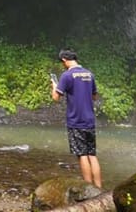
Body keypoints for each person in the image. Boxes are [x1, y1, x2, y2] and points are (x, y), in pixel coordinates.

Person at [51, 48, 102, 188]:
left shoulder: (67, 76)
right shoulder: (89, 74)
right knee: (92, 154)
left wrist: (54, 87)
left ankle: (88, 188)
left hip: (76, 120)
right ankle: (98, 187)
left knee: (82, 155)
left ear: (64, 60)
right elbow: (94, 96)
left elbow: (56, 97)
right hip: (89, 120)